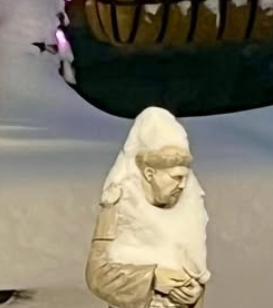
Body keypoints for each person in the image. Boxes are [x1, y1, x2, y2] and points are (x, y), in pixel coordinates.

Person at [86, 107, 210, 308]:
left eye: (185, 178)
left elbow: (195, 269)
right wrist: (152, 278)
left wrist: (195, 292)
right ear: (150, 174)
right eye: (175, 177)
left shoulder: (189, 210)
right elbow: (98, 276)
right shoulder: (119, 207)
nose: (182, 185)